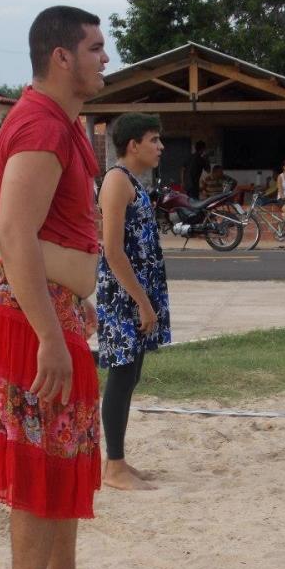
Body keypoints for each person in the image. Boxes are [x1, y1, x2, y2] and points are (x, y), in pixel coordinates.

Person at [0, 6, 126, 569]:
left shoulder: (63, 123)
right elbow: (11, 234)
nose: (104, 57)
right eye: (94, 47)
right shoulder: (38, 124)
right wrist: (49, 337)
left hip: (55, 311)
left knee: (66, 449)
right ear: (62, 56)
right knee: (37, 461)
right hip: (33, 318)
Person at [97, 113, 171, 490]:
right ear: (133, 145)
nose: (160, 147)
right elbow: (112, 251)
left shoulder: (132, 182)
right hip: (124, 296)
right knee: (122, 376)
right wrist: (142, 302)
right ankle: (113, 467)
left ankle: (119, 460)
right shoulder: (115, 181)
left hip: (136, 293)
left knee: (131, 375)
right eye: (154, 139)